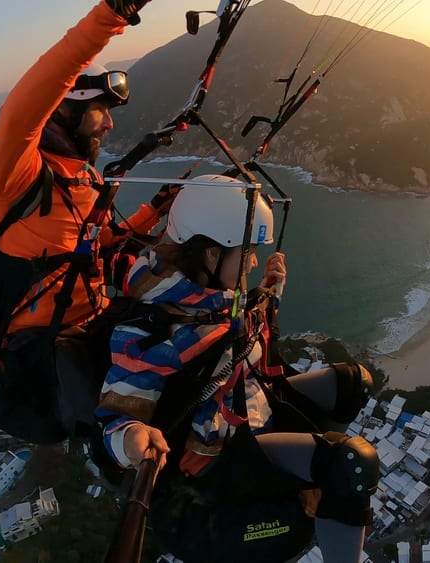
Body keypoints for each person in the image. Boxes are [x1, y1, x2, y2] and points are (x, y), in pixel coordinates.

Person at [96, 176, 380, 562]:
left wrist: (270, 294)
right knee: (350, 464)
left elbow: (241, 333)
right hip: (221, 459)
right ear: (211, 255)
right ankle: (323, 484)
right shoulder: (151, 330)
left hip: (249, 406)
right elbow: (115, 421)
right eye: (246, 252)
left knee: (352, 382)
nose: (253, 261)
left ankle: (316, 486)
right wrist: (132, 439)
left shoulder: (206, 297)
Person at [0, 0, 170, 444]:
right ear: (67, 109)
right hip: (45, 352)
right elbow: (24, 106)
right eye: (100, 111)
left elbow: (95, 243)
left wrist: (157, 208)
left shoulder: (81, 177)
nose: (110, 124)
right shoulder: (17, 174)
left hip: (90, 326)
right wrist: (110, 15)